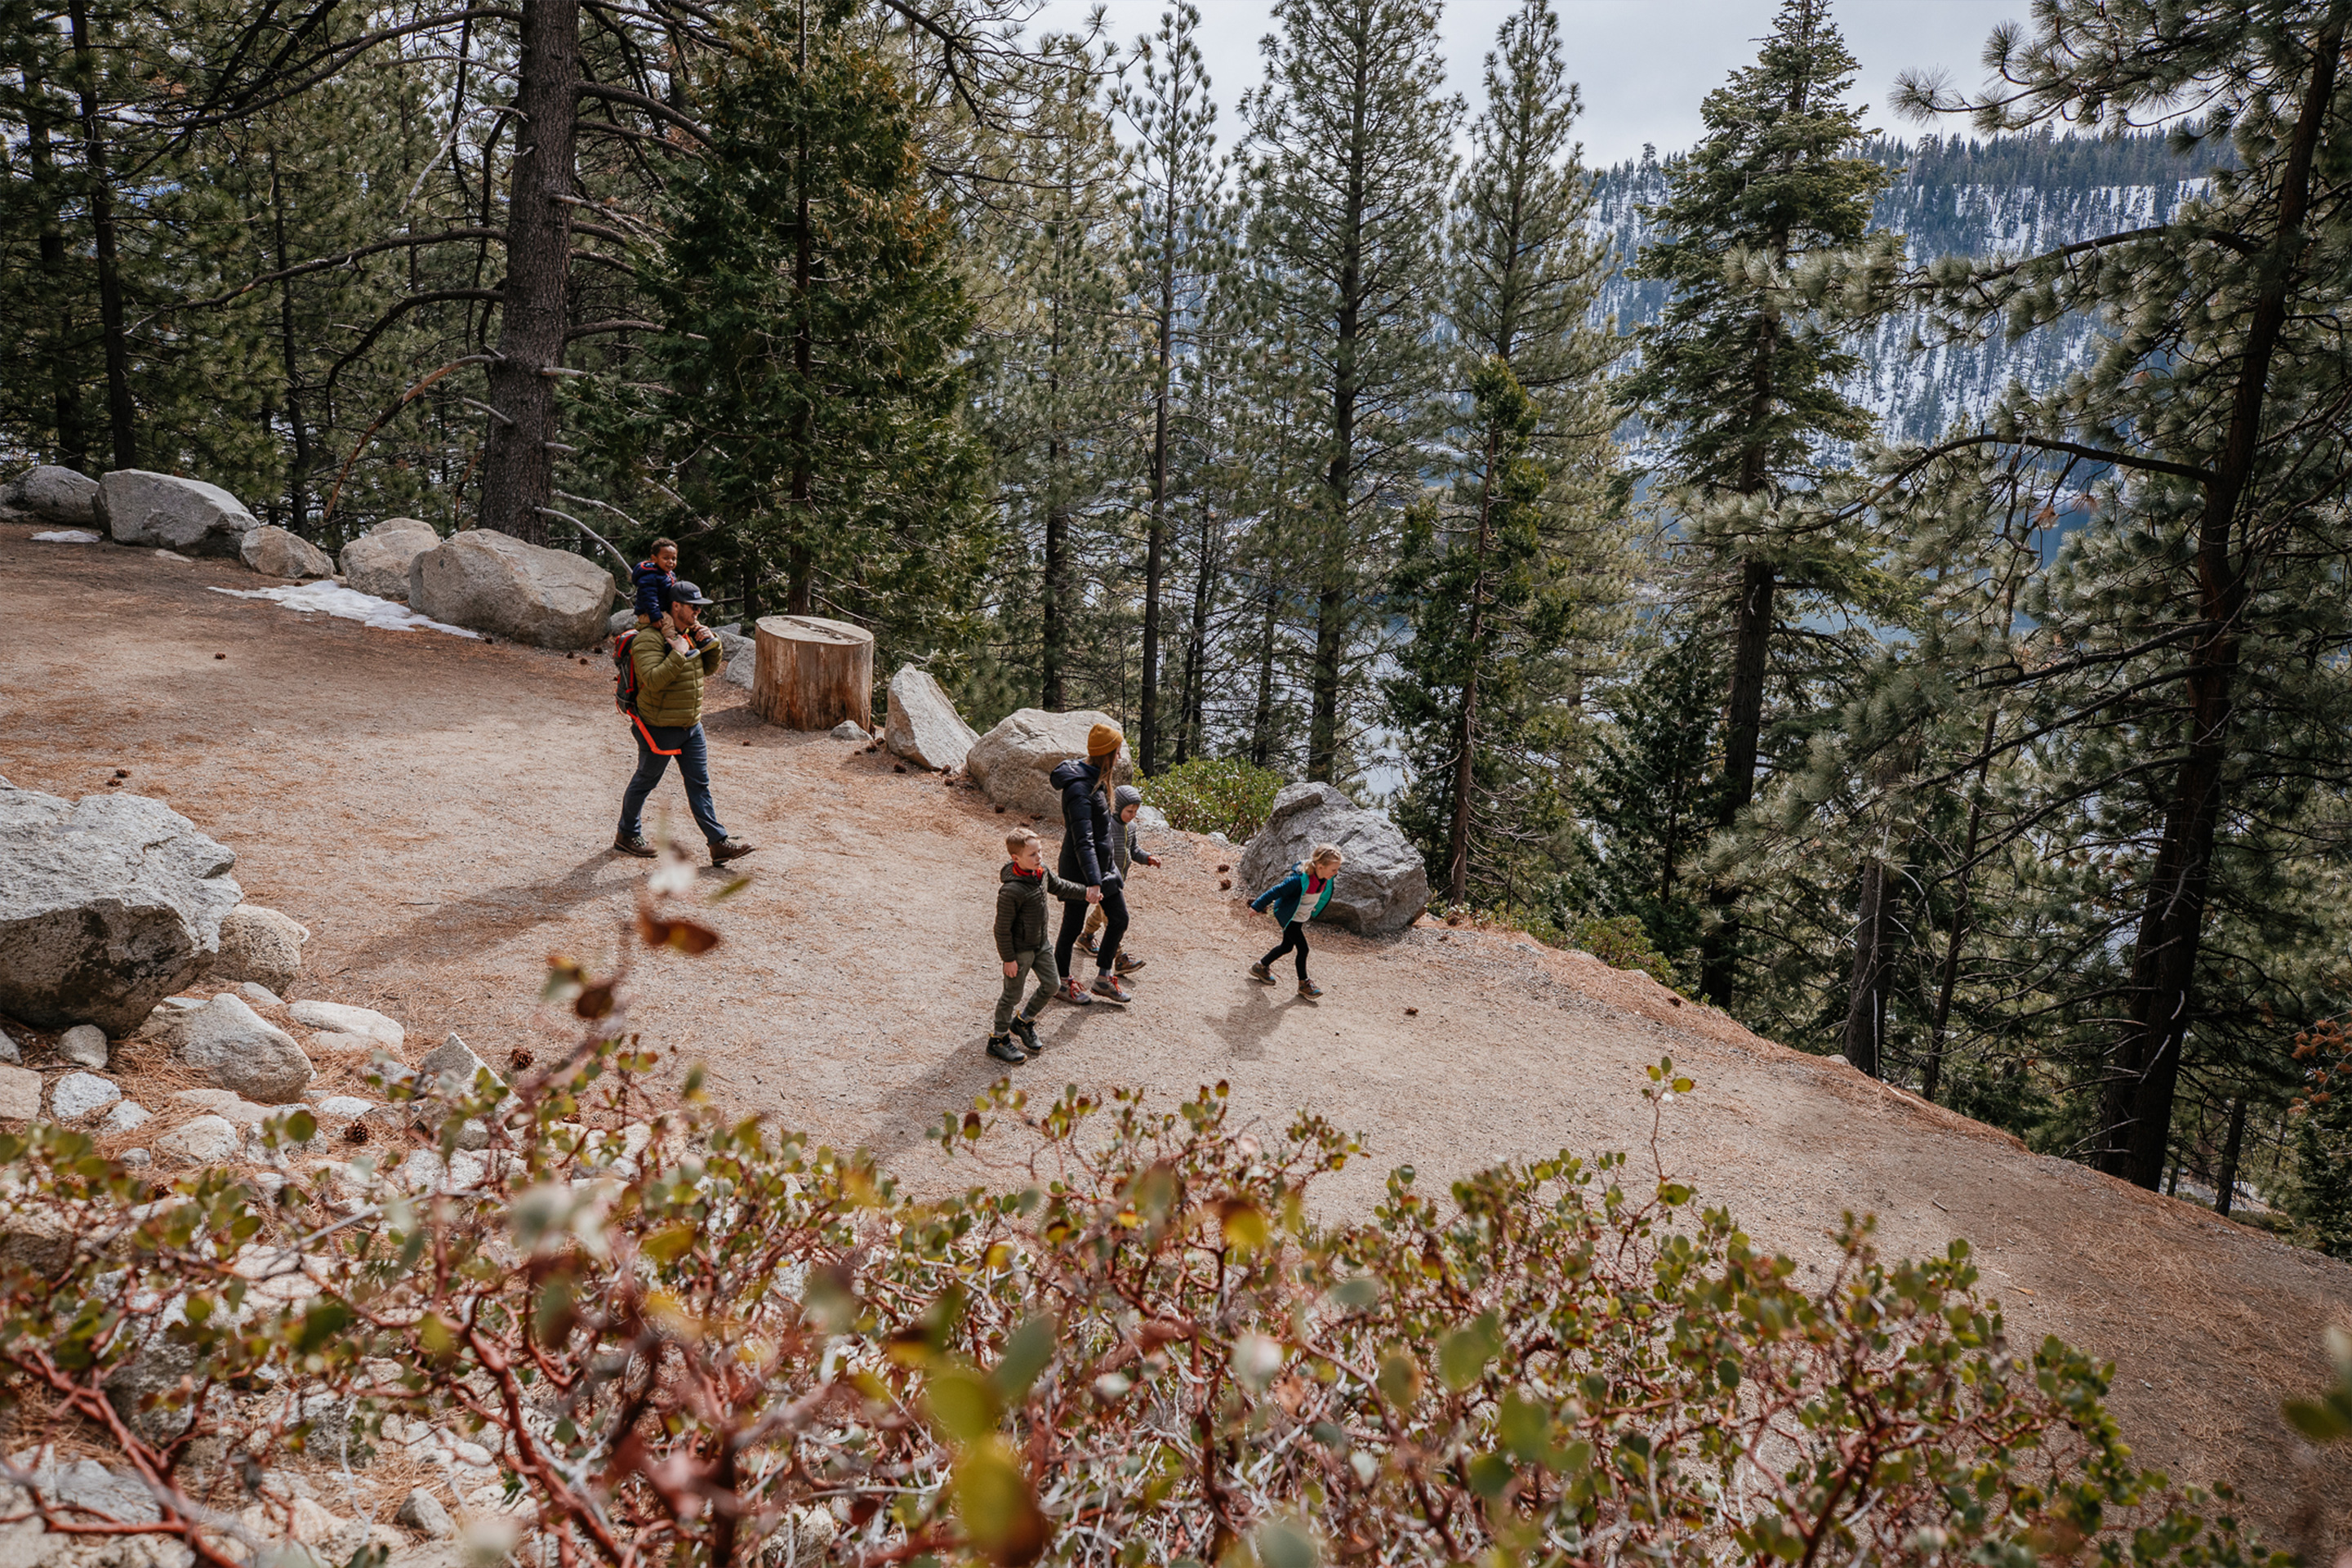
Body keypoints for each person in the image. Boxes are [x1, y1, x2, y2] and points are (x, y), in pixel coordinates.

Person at [613, 580, 758, 866]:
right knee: (646, 781)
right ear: (676, 606)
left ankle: (718, 843)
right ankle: (627, 834)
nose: (698, 614)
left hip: (691, 725)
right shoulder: (648, 640)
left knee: (699, 785)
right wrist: (678, 653)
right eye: (694, 608)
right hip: (659, 726)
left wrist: (711, 643)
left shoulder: (688, 633)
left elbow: (705, 669)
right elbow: (653, 681)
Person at [991, 826, 1098, 1063]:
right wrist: (1008, 958)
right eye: (1033, 854)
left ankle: (1023, 1021)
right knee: (1012, 994)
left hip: (1041, 944)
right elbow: (1001, 928)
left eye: (1040, 852)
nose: (1039, 858)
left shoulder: (1041, 872)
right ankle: (998, 1039)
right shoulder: (1010, 890)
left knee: (1051, 985)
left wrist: (1086, 893)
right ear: (1015, 858)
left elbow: (1060, 886)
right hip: (1019, 951)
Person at [1048, 724, 1132, 1005]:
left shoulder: (1096, 778)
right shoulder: (1079, 788)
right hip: (1080, 869)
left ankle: (1103, 979)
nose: (1120, 757)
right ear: (1106, 754)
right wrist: (1093, 881)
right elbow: (1083, 839)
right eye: (1117, 752)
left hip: (1102, 866)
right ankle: (1060, 981)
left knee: (1119, 917)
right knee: (1072, 924)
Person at [1079, 783, 1160, 974]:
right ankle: (1120, 958)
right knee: (1112, 919)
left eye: (1135, 811)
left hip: (1118, 880)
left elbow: (1134, 850)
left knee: (1102, 912)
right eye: (1129, 811)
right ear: (1116, 807)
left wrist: (1147, 858)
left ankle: (1086, 936)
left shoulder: (1130, 827)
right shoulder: (1107, 825)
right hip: (1105, 879)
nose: (1133, 815)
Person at [1248, 844, 1344, 1000]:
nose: (1336, 873)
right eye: (1334, 869)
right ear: (1320, 866)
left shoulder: (1325, 878)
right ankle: (1304, 984)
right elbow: (1276, 891)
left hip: (1299, 916)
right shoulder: (1298, 880)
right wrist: (1257, 906)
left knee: (1286, 947)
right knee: (1303, 949)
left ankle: (1261, 966)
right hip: (1289, 916)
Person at [632, 538, 679, 626]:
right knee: (668, 622)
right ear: (654, 559)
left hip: (662, 610)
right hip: (647, 613)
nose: (671, 562)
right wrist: (655, 617)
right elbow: (649, 598)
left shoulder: (670, 574)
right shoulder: (650, 576)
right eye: (666, 558)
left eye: (674, 559)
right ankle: (672, 638)